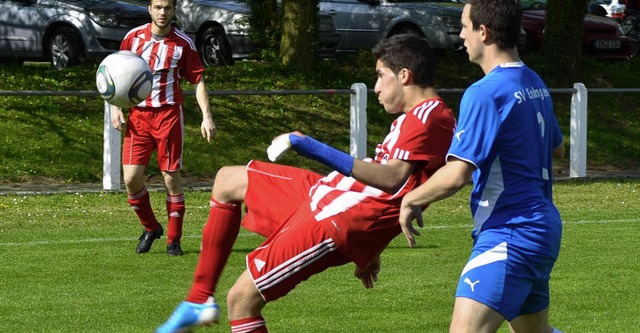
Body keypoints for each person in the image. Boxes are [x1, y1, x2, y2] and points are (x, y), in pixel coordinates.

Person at [155, 33, 456, 333]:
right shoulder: (422, 117)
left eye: (380, 76)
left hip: (336, 219)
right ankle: (199, 299)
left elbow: (392, 180)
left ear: (404, 75)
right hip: (331, 196)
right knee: (227, 180)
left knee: (241, 300)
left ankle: (201, 302)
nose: (376, 87)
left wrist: (311, 146)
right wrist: (373, 248)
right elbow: (404, 192)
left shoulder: (427, 118)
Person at [398, 0, 565, 332]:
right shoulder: (534, 83)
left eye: (464, 26)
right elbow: (557, 150)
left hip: (511, 232)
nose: (461, 35)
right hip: (542, 228)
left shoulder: (485, 93)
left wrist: (411, 198)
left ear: (483, 32)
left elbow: (458, 173)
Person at [110, 0, 216, 256]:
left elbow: (198, 80)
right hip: (138, 118)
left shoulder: (183, 43)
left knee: (170, 178)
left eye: (167, 7)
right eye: (157, 7)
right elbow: (114, 74)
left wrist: (206, 116)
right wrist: (115, 107)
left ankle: (173, 240)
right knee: (130, 179)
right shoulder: (133, 38)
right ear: (149, 9)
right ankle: (150, 228)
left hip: (168, 116)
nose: (162, 12)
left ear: (173, 10)